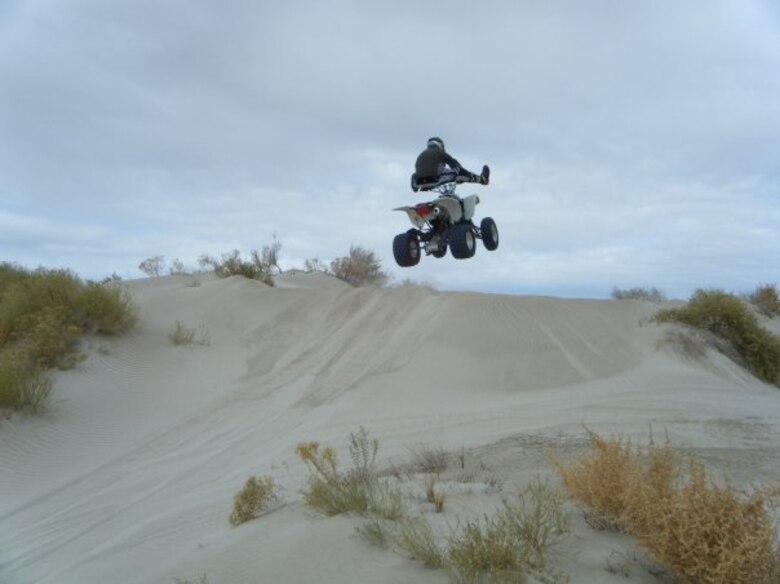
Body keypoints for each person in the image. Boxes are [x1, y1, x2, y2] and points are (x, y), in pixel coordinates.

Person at [411, 136, 489, 191]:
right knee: (460, 171)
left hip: (419, 183)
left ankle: (419, 184)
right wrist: (461, 177)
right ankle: (482, 179)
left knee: (443, 170)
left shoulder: (421, 155)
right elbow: (455, 165)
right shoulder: (440, 153)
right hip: (437, 179)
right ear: (440, 145)